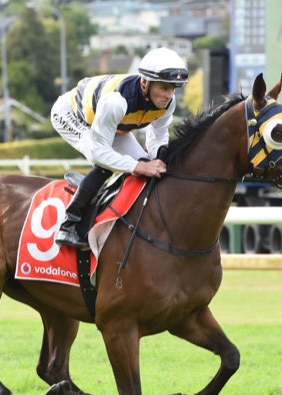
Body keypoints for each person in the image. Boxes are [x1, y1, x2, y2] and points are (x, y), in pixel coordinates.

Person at [50, 47, 189, 248]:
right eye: (164, 87)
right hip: (73, 116)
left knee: (148, 167)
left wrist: (157, 159)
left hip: (112, 126)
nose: (169, 95)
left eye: (173, 89)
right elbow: (98, 153)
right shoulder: (117, 102)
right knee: (107, 165)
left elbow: (158, 137)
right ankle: (69, 224)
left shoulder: (168, 103)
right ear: (145, 82)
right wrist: (138, 167)